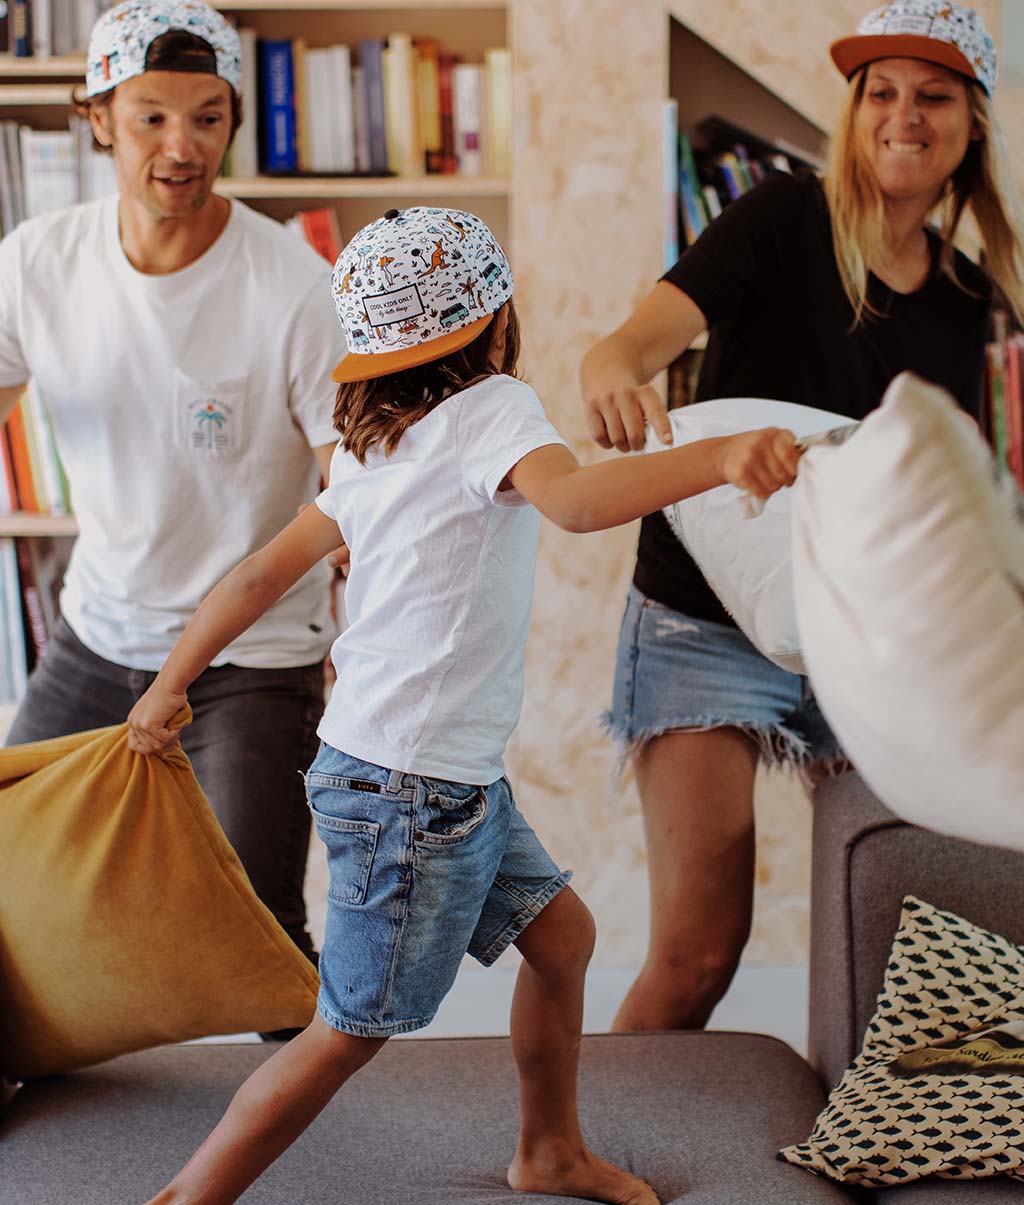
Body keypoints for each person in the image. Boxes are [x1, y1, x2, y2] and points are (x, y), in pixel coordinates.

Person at [126, 204, 801, 1205]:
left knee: (563, 938)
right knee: (347, 1030)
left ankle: (548, 1150)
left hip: (422, 773)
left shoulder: (370, 440)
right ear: (494, 327)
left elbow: (261, 572)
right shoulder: (494, 409)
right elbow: (574, 505)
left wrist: (167, 677)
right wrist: (716, 455)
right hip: (414, 793)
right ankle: (189, 1195)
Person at [579, 0, 1024, 1034]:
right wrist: (612, 379)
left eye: (933, 95)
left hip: (851, 629)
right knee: (697, 951)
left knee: (902, 917)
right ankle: (593, 1152)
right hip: (702, 623)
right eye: (881, 91)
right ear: (854, 108)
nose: (902, 115)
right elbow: (630, 344)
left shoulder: (974, 305)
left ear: (971, 125)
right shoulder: (779, 219)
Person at [0, 0, 347, 963]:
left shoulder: (294, 285)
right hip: (99, 631)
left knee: (258, 923)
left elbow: (350, 488)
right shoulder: (36, 262)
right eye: (151, 114)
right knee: (13, 867)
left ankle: (318, 1115)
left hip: (254, 653)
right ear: (99, 117)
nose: (181, 145)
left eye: (207, 116)